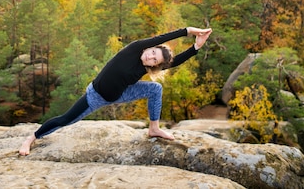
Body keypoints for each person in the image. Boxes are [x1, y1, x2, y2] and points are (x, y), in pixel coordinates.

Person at [18, 26, 213, 156]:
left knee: (155, 88)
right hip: (97, 96)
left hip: (121, 94)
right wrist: (189, 31)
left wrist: (196, 47)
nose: (151, 58)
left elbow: (174, 62)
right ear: (150, 48)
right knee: (67, 119)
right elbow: (165, 37)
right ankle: (32, 138)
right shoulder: (134, 49)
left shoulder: (147, 67)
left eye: (155, 60)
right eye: (152, 53)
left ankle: (154, 129)